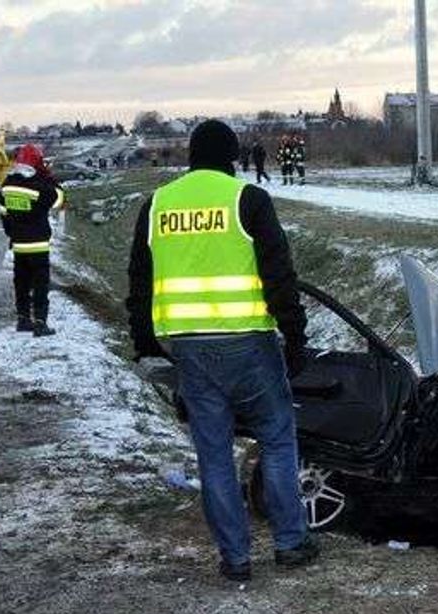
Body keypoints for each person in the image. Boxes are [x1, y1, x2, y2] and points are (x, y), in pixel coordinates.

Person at [125, 119, 316, 581]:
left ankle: (235, 558)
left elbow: (139, 280)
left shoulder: (158, 205)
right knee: (276, 438)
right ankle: (291, 542)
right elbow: (278, 275)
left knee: (212, 455)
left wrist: (145, 342)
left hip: (188, 348)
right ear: (233, 156)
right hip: (249, 342)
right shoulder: (248, 199)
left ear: (191, 155)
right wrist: (295, 336)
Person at [0, 144, 65, 336]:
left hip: (19, 245)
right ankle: (40, 323)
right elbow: (59, 200)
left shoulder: (8, 184)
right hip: (38, 245)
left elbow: (3, 213)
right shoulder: (39, 185)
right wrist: (50, 179)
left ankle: (23, 319)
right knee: (40, 285)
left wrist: (12, 233)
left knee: (21, 283)